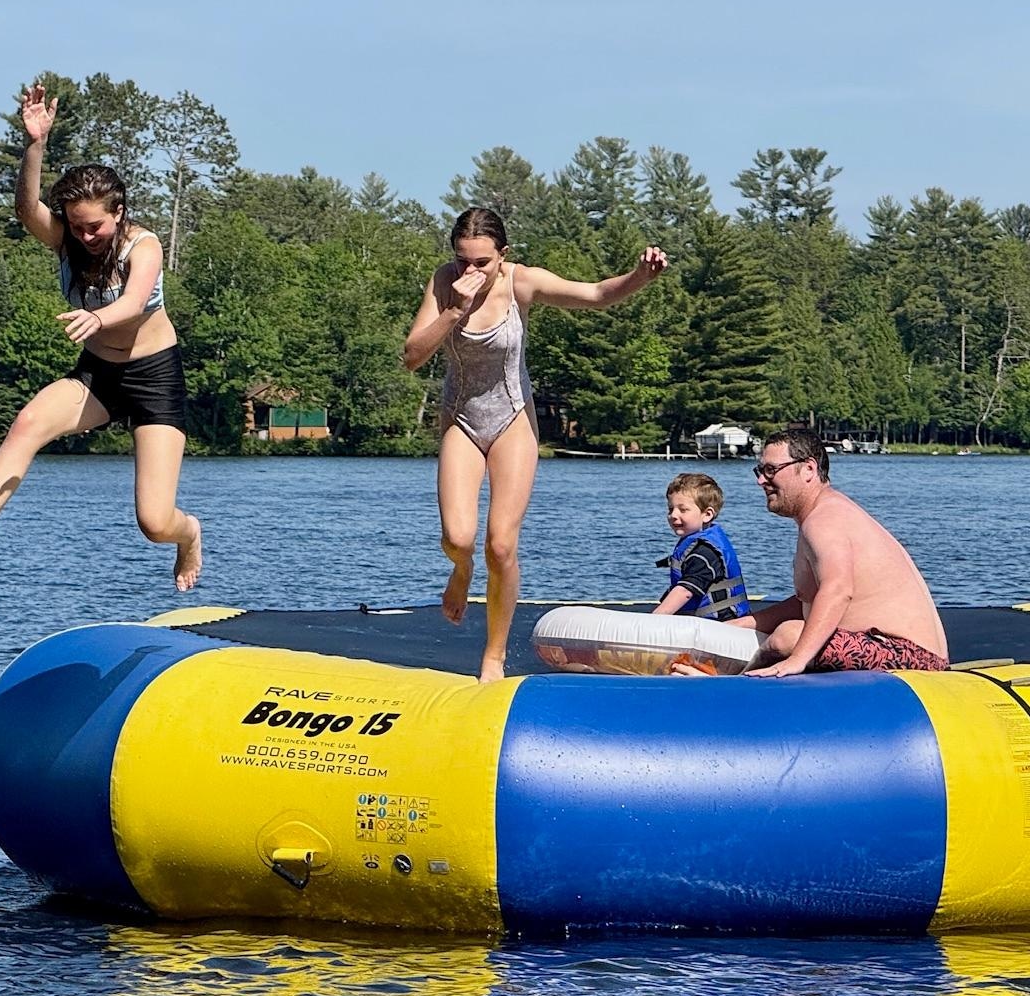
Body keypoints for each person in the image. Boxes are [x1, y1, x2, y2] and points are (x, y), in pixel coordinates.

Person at [0, 84, 202, 590]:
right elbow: (27, 209)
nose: (84, 236)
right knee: (27, 422)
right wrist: (35, 143)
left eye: (94, 226)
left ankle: (190, 536)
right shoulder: (68, 240)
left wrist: (98, 318)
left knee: (154, 522)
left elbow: (136, 301)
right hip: (99, 374)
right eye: (75, 227)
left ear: (118, 213)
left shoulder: (144, 245)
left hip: (154, 375)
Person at [403, 207, 667, 681]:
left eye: (481, 262)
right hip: (461, 418)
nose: (470, 271)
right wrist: (453, 311)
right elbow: (411, 357)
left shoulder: (521, 282)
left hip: (512, 420)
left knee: (500, 545)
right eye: (462, 260)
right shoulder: (444, 284)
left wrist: (640, 275)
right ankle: (461, 572)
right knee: (458, 539)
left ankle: (493, 654)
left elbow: (597, 295)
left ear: (503, 255)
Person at [735, 427, 948, 677]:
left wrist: (798, 659)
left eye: (771, 470)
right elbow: (808, 603)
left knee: (788, 636)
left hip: (909, 655)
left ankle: (726, 687)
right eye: (760, 471)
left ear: (808, 469)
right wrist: (743, 625)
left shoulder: (824, 519)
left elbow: (837, 590)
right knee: (783, 632)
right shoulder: (823, 514)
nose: (761, 480)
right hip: (899, 650)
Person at [651, 472, 750, 620]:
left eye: (682, 510)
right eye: (670, 509)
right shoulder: (695, 544)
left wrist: (654, 619)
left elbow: (685, 591)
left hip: (722, 626)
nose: (673, 515)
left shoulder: (705, 552)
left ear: (707, 514)